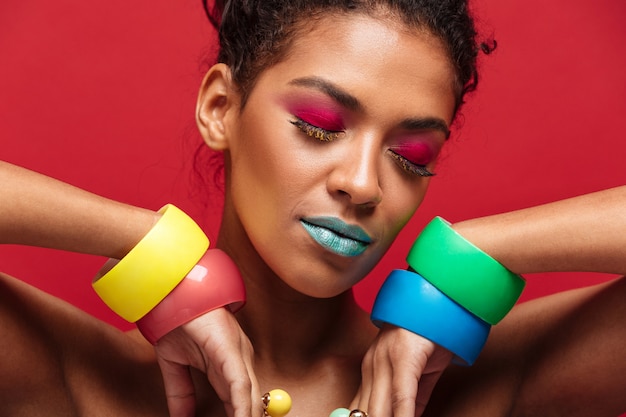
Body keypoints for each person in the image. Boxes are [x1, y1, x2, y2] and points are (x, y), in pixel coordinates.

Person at [1, 1, 625, 417]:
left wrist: (478, 254)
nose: (363, 184)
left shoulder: (473, 386)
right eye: (321, 125)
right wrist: (147, 247)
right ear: (221, 107)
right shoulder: (84, 379)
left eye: (410, 155)